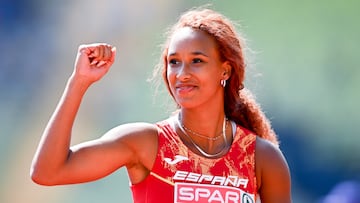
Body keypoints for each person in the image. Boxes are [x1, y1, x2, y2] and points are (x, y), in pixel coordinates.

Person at [30, 7, 291, 203]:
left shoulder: (262, 158)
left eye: (197, 61)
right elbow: (47, 172)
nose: (182, 73)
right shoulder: (145, 143)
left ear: (225, 70)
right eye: (174, 62)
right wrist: (79, 82)